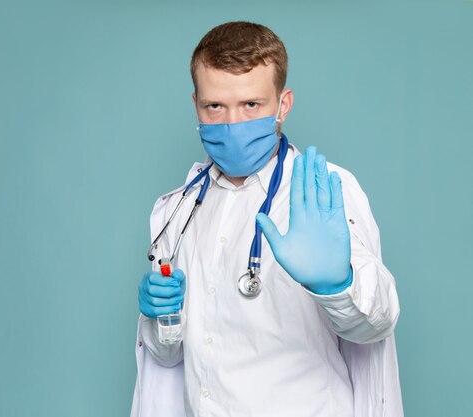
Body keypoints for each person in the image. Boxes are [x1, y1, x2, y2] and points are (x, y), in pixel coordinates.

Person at [131, 21, 403, 417]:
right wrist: (158, 321)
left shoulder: (322, 191)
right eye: (214, 107)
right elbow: (169, 357)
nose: (232, 123)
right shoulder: (178, 208)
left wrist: (339, 284)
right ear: (196, 104)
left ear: (283, 105)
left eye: (251, 105)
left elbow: (375, 324)